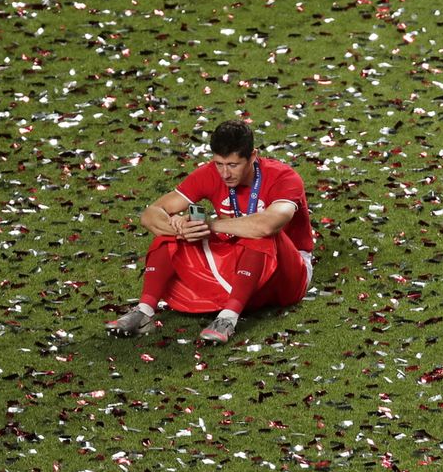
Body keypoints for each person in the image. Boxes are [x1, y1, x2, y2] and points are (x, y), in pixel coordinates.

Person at [107, 120, 314, 343]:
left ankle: (228, 318)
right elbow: (151, 214)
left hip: (289, 274)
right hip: (242, 264)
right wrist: (180, 227)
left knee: (261, 233)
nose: (225, 174)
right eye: (219, 164)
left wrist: (210, 225)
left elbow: (267, 225)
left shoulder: (284, 177)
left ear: (253, 156)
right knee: (170, 233)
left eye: (233, 165)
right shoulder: (210, 174)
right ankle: (144, 312)